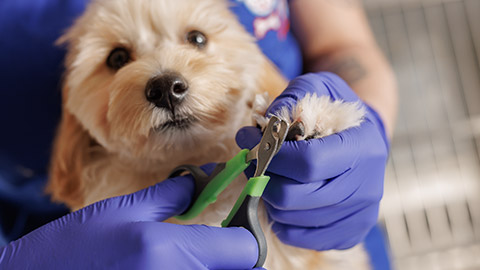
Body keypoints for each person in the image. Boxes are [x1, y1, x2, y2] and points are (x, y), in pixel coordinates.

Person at [0, 0, 396, 269]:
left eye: (196, 38)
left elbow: (343, 43)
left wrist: (361, 127)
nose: (165, 79)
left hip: (325, 221)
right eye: (118, 58)